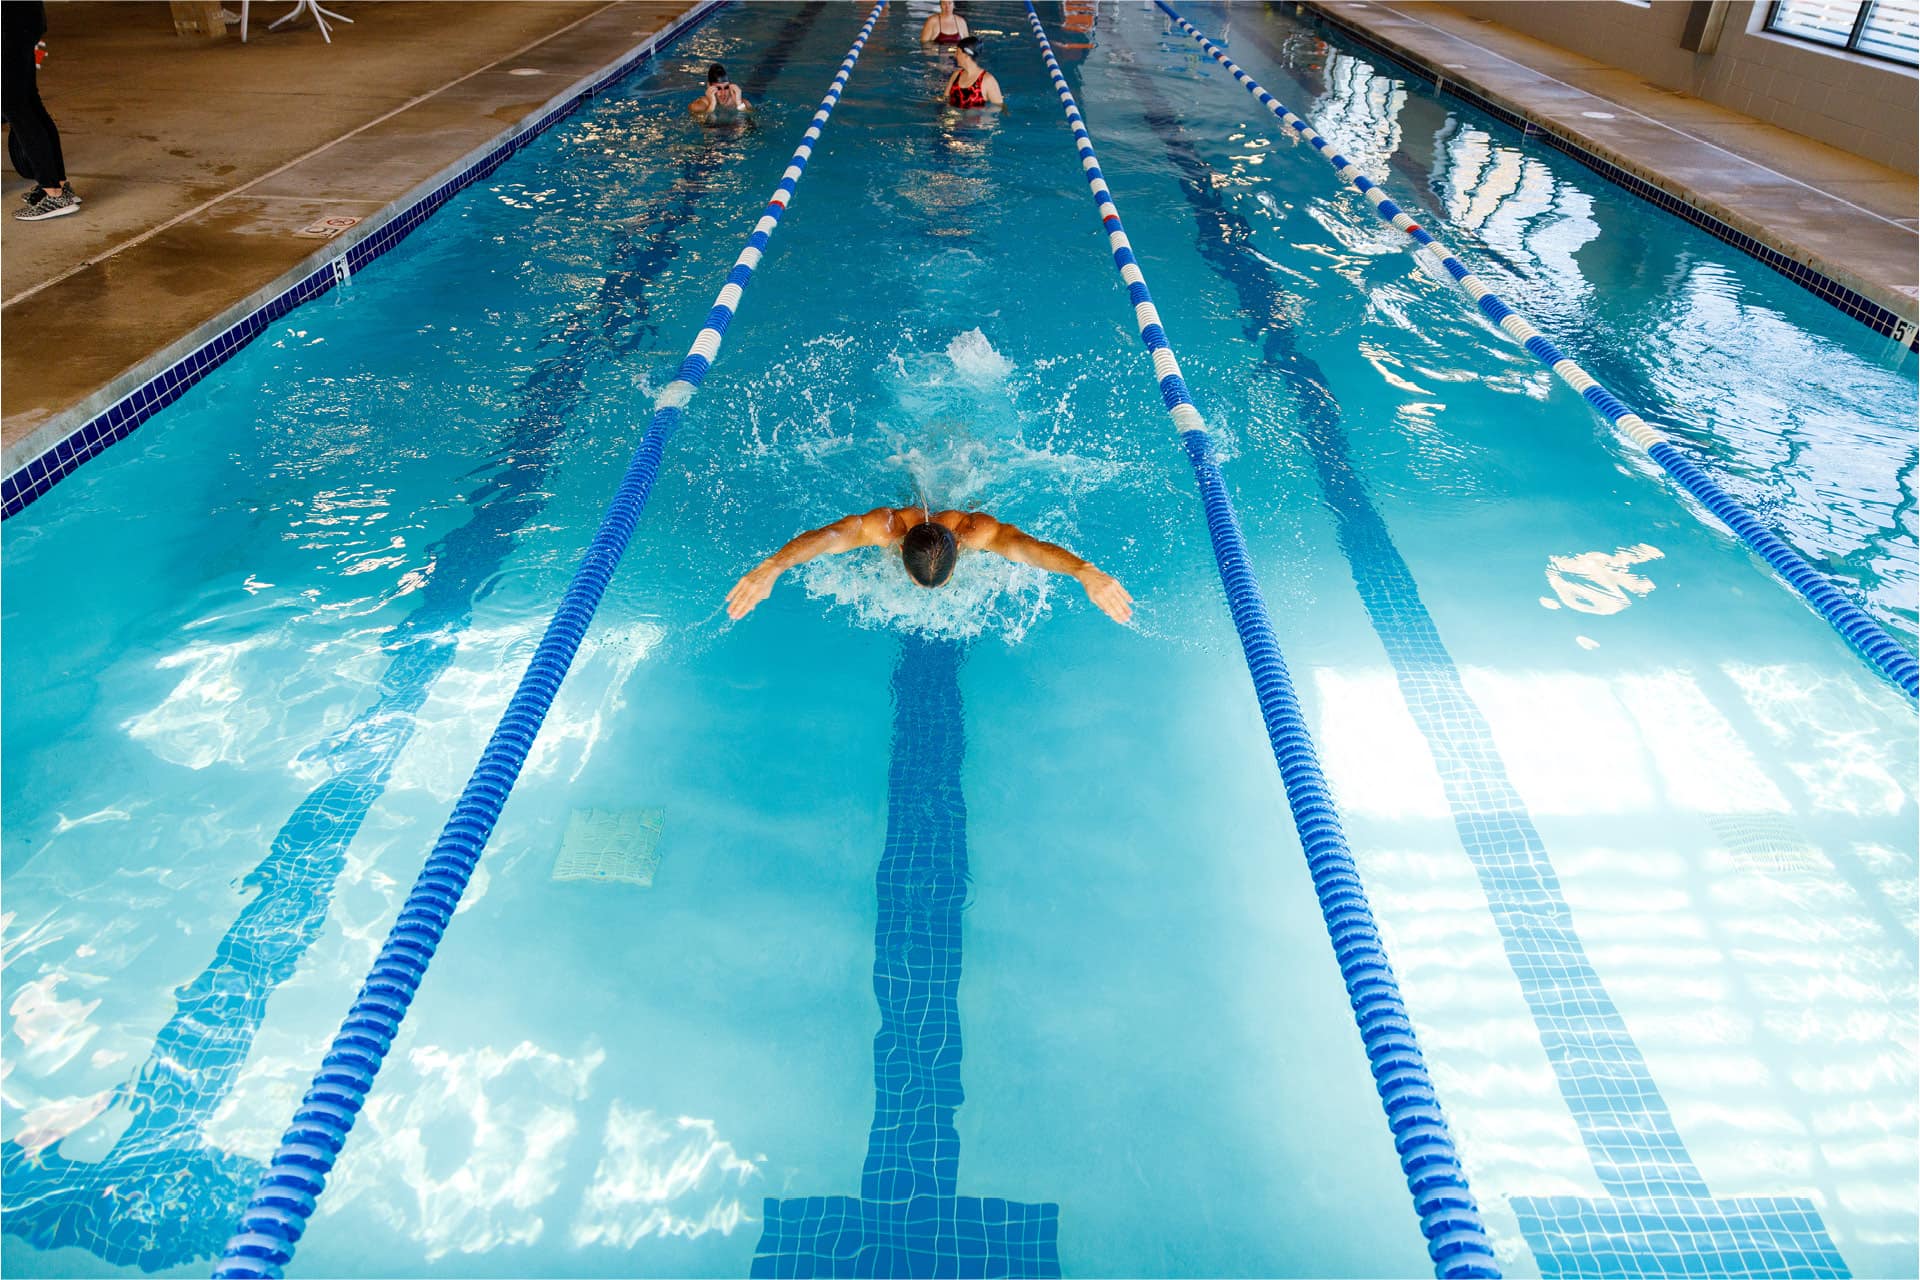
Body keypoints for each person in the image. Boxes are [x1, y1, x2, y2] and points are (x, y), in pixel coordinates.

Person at [727, 505, 1133, 624]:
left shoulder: (883, 529)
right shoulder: (889, 527)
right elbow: (1027, 548)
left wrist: (1086, 572)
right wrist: (771, 566)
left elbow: (830, 538)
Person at [4, 1, 78, 222]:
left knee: (13, 105)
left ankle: (52, 192)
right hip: (24, 19)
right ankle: (59, 186)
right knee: (29, 101)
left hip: (9, 23)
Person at [942, 37, 1002, 108]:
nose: (955, 56)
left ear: (966, 55)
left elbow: (999, 108)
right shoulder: (956, 75)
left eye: (957, 52)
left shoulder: (987, 80)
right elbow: (945, 99)